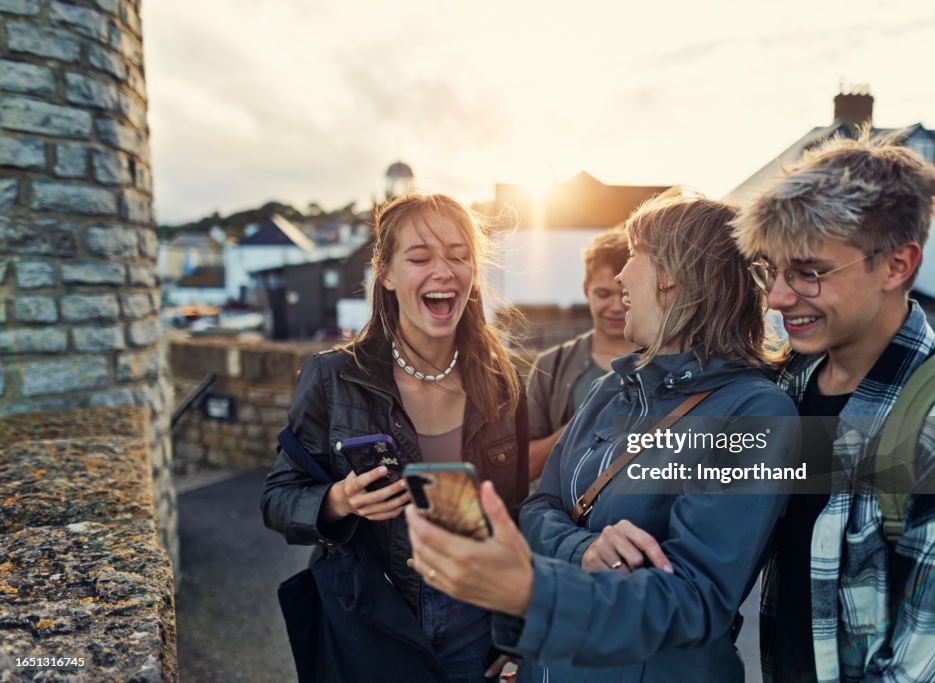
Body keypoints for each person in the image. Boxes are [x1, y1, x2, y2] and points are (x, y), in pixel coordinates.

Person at [405, 189, 801, 682]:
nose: (620, 276)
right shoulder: (614, 387)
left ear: (672, 275)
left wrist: (532, 590)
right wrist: (583, 551)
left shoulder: (756, 414)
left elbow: (695, 601)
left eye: (635, 255)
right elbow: (539, 507)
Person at [732, 131, 935, 682]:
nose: (777, 297)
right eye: (771, 269)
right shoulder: (791, 387)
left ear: (896, 266)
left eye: (809, 272)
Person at [261, 192, 529, 682]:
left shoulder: (501, 380)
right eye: (420, 257)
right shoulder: (333, 377)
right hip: (373, 621)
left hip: (476, 621)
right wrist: (338, 501)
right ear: (386, 274)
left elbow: (518, 514)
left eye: (459, 255)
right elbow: (278, 498)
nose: (443, 271)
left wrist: (516, 636)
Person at [526, 228, 636, 480]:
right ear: (587, 291)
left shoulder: (670, 362)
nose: (616, 306)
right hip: (567, 516)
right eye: (604, 294)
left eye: (626, 294)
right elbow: (524, 466)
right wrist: (577, 428)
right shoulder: (550, 366)